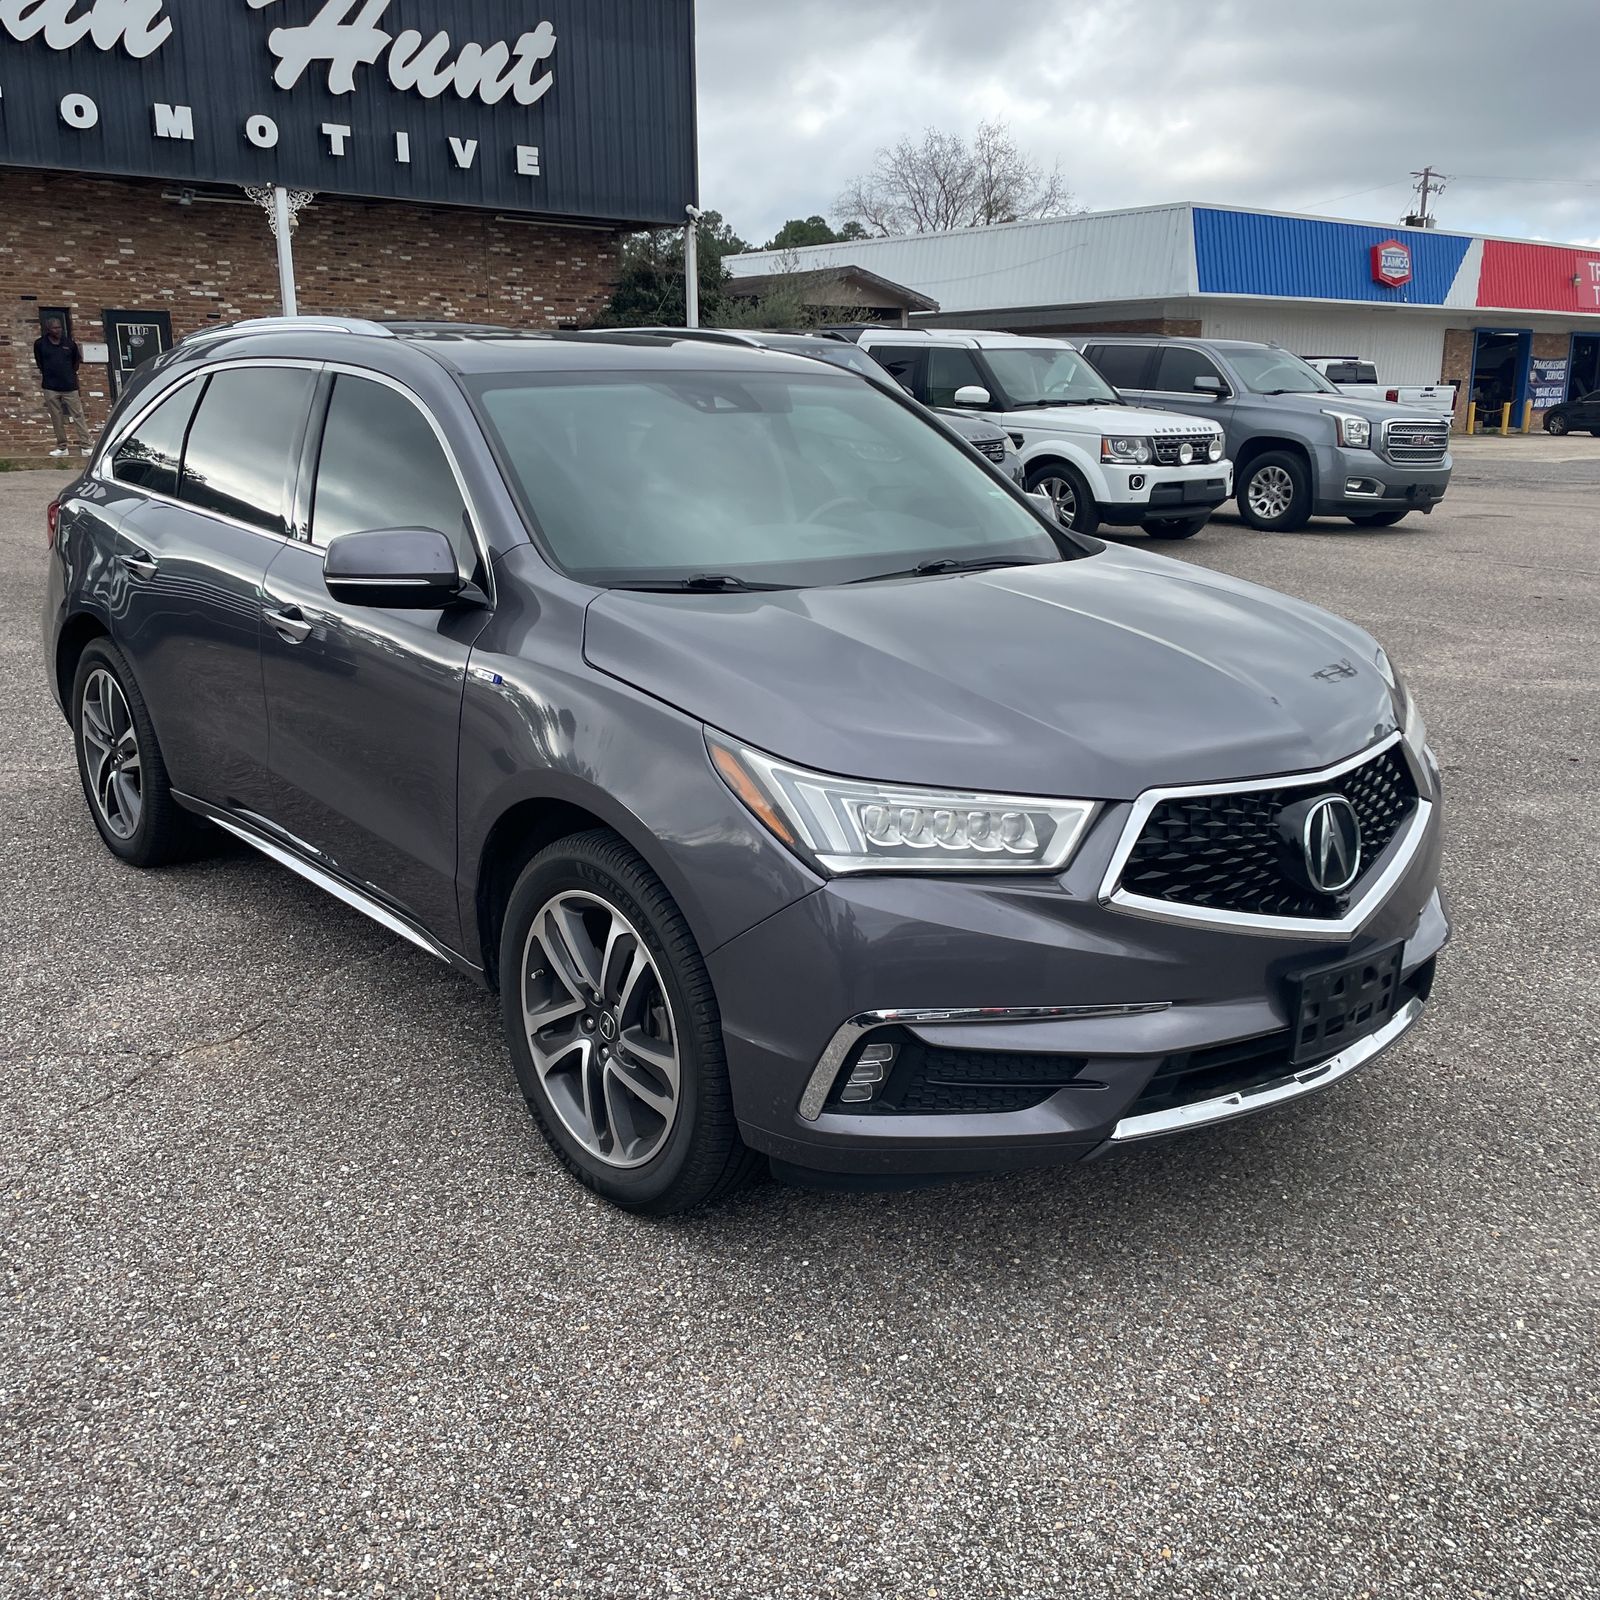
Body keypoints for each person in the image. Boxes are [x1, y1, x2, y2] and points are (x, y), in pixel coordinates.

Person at [34, 317, 91, 458]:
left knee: (78, 415)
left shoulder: (69, 344)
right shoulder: (40, 344)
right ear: (48, 329)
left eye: (59, 327)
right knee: (56, 417)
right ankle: (62, 447)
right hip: (50, 386)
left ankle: (86, 445)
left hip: (69, 386)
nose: (58, 330)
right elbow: (39, 362)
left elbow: (76, 362)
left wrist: (68, 374)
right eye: (54, 328)